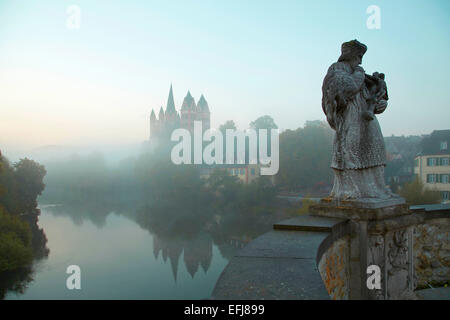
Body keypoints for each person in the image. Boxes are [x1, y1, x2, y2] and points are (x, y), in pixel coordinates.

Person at [322, 40, 395, 199]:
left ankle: (376, 188)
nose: (361, 61)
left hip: (367, 118)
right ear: (349, 55)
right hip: (351, 118)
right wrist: (359, 73)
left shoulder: (359, 73)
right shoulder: (337, 69)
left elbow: (369, 97)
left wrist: (380, 105)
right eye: (359, 56)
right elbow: (346, 88)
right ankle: (352, 190)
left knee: (375, 149)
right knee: (351, 150)